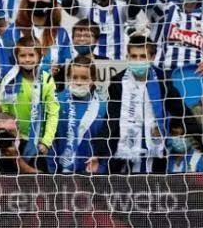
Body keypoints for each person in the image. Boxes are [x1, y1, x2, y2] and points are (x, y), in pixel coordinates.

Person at [0, 36, 59, 169]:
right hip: (12, 139)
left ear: (40, 56)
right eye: (23, 55)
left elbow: (53, 113)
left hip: (37, 142)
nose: (27, 59)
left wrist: (46, 142)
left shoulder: (46, 80)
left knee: (37, 184)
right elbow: (3, 111)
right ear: (16, 57)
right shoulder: (9, 79)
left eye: (31, 55)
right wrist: (8, 135)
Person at [107, 35, 167, 174]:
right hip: (125, 153)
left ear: (152, 57)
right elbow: (111, 119)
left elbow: (180, 111)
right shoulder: (118, 81)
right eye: (134, 56)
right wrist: (99, 152)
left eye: (143, 56)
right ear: (128, 57)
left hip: (154, 151)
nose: (138, 61)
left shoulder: (162, 79)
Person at [48, 56, 108, 174]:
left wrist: (100, 169)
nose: (79, 82)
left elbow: (104, 143)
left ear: (93, 79)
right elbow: (51, 140)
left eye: (84, 78)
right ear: (68, 78)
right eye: (74, 77)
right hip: (60, 171)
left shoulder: (102, 107)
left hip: (90, 170)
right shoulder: (56, 101)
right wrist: (52, 170)